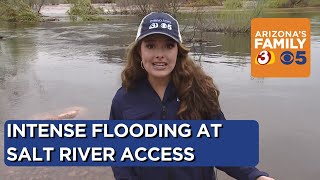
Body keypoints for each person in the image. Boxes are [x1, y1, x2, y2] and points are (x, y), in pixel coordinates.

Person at [109, 12, 274, 180]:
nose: (160, 54)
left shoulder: (201, 91)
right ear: (139, 52)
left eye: (169, 46)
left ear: (178, 51)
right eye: (150, 46)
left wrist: (256, 176)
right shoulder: (123, 99)